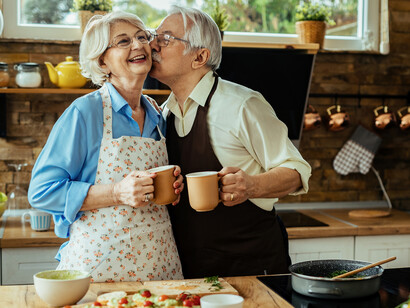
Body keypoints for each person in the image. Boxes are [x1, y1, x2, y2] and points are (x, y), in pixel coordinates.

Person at [149, 6, 312, 279]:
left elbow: (297, 171)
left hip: (251, 270)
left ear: (199, 56)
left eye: (165, 38)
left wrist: (252, 185)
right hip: (192, 273)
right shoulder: (162, 114)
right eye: (154, 36)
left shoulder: (241, 105)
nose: (152, 44)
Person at [28, 11, 184, 282]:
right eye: (123, 41)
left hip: (160, 269)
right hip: (99, 270)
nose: (138, 46)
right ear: (102, 61)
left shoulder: (158, 114)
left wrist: (173, 187)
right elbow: (41, 192)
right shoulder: (85, 112)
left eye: (141, 37)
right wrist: (116, 192)